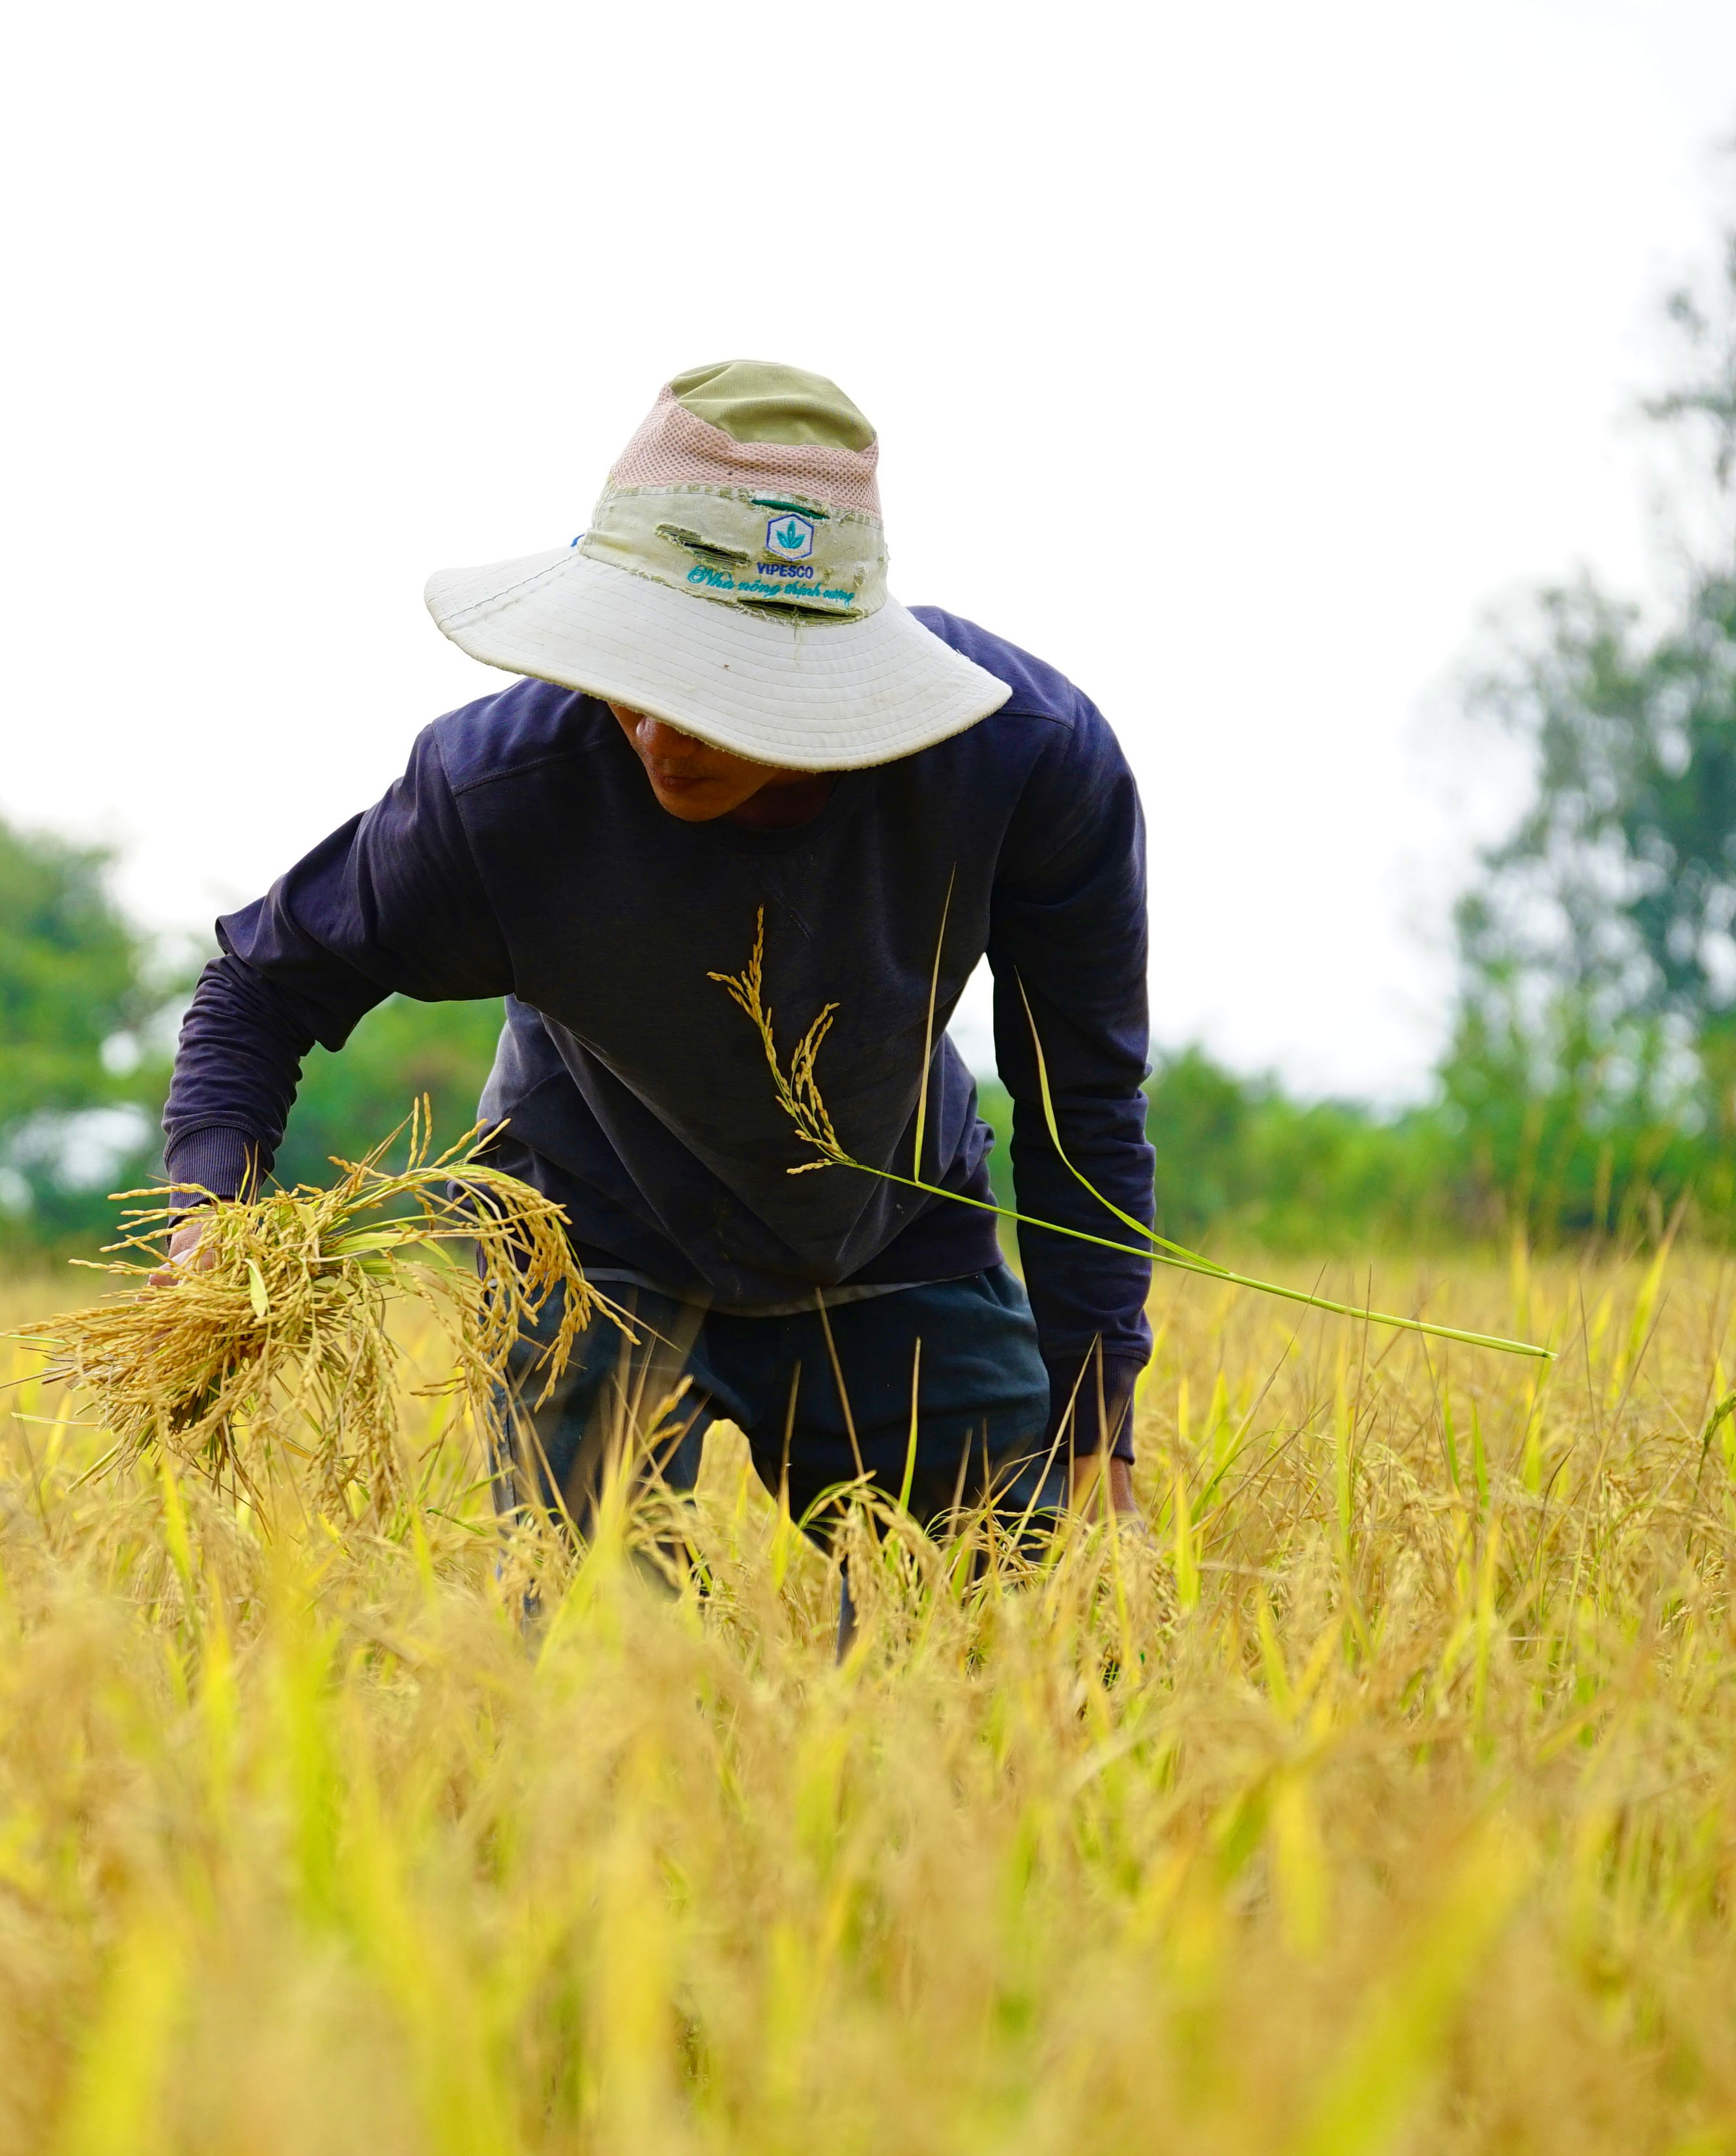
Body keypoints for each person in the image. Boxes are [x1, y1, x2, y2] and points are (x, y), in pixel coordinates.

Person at [164, 359, 1150, 1545]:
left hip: (892, 1224)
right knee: (593, 1678)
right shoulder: (502, 791)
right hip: (588, 1246)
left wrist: (1096, 1421)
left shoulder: (1022, 767)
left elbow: (1080, 1099)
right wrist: (212, 1221)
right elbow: (260, 986)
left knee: (1018, 1642)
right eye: (637, 671)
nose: (655, 731)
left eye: (710, 687)